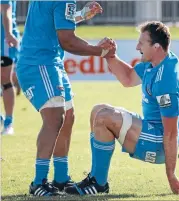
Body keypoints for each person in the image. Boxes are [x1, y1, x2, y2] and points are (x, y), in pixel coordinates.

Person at [65, 21, 179, 196]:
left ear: (157, 47)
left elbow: (170, 133)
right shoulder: (155, 62)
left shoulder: (166, 79)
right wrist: (109, 55)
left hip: (160, 144)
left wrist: (171, 175)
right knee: (97, 110)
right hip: (151, 132)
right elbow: (128, 78)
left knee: (104, 117)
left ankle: (98, 183)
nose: (137, 46)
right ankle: (96, 179)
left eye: (141, 43)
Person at [16, 1, 115, 197]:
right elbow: (67, 41)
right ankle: (38, 182)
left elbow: (58, 20)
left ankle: (61, 178)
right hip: (39, 64)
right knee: (55, 118)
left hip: (51, 63)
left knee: (68, 117)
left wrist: (82, 14)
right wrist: (99, 51)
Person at [0, 0, 20, 135]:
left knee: (5, 80)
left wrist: (8, 34)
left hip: (3, 41)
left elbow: (6, 8)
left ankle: (8, 123)